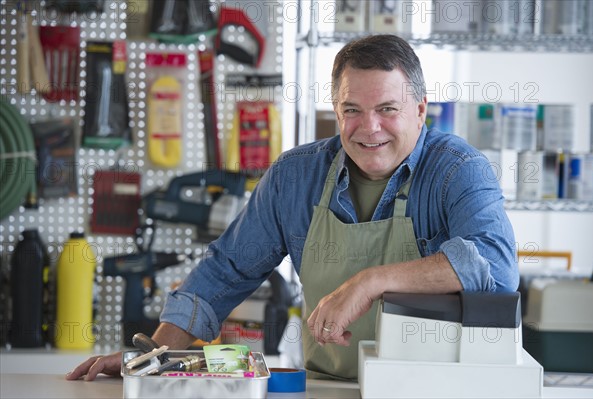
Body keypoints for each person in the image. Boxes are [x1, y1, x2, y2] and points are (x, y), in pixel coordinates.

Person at [67, 34, 518, 382]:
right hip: (328, 385)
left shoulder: (458, 170)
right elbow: (224, 272)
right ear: (336, 112)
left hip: (430, 390)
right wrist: (155, 360)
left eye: (387, 108)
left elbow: (496, 268)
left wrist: (370, 282)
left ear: (421, 110)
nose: (369, 127)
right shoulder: (296, 176)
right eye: (352, 110)